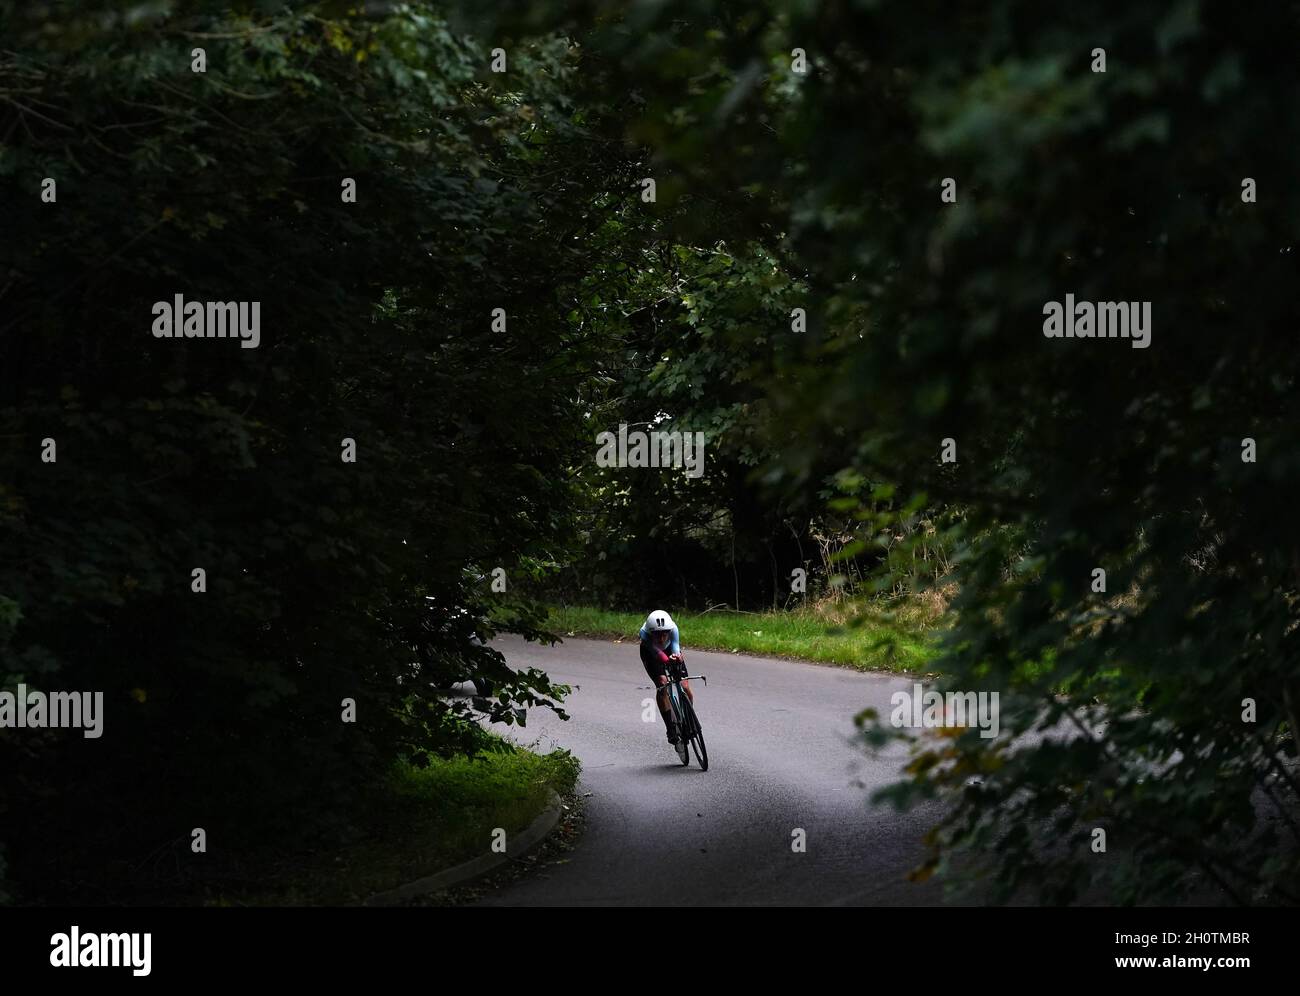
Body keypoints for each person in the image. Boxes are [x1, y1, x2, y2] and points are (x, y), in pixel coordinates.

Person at [639, 610, 693, 744]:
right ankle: (670, 728)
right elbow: (657, 653)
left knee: (685, 685)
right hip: (651, 653)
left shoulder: (673, 629)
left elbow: (675, 646)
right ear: (651, 633)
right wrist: (667, 660)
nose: (662, 638)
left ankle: (689, 720)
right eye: (657, 635)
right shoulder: (644, 634)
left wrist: (677, 657)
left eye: (664, 634)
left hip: (669, 648)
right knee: (662, 683)